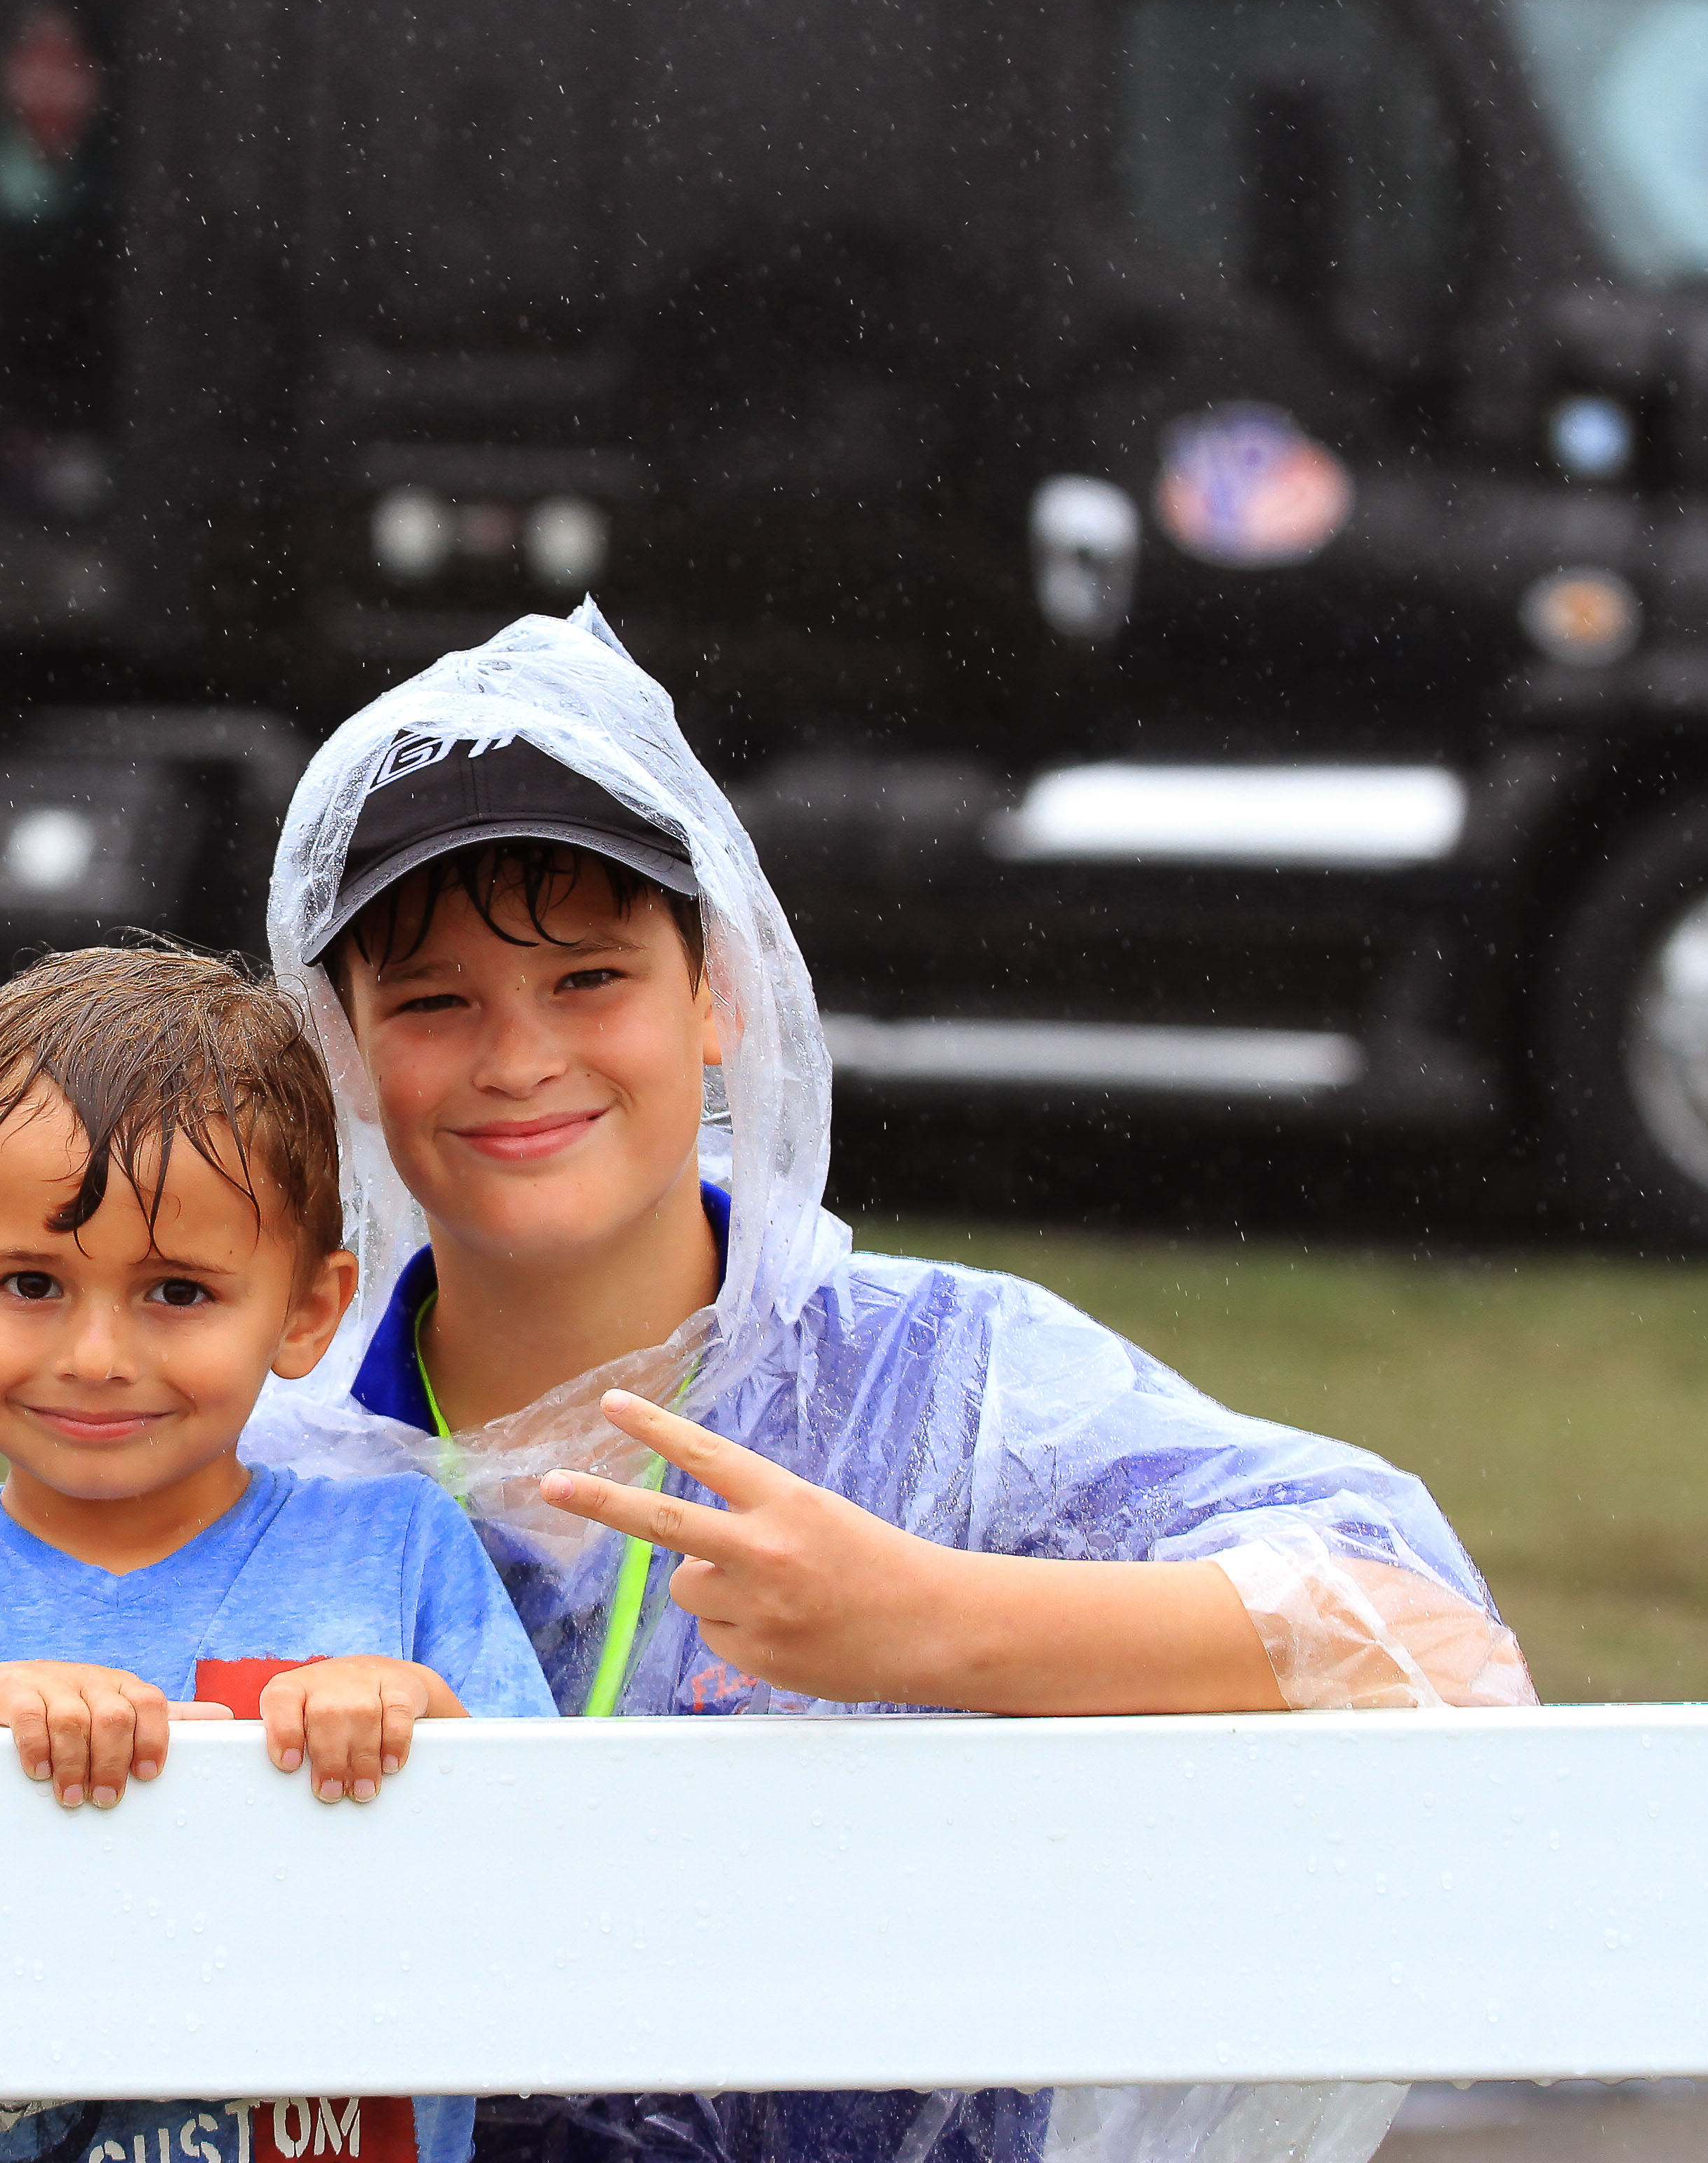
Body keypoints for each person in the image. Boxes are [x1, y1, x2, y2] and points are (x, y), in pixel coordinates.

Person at [243, 607, 1533, 2163]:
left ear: (717, 989)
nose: (520, 1056)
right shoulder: (265, 1460)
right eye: (434, 1001)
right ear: (342, 1047)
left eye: (589, 978)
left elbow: (1435, 1644)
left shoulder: (948, 1384)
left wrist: (924, 1619)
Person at [0, 944, 559, 2163]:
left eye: (177, 1293)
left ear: (306, 1312)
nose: (95, 1354)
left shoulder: (400, 1551)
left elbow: (558, 1878)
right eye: (29, 1282)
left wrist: (427, 1723)